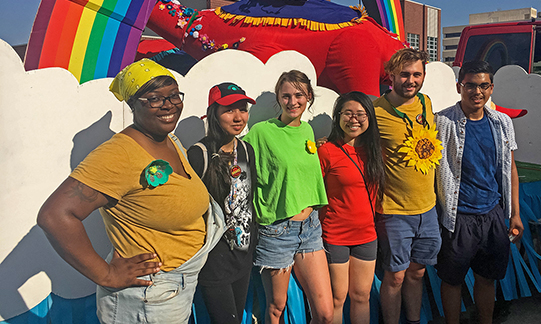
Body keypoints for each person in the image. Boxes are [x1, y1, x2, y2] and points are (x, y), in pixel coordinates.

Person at [37, 59, 224, 324]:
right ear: (132, 104)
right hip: (147, 300)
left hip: (171, 289)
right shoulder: (119, 155)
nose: (168, 104)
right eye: (154, 98)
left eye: (173, 95)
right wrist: (106, 275)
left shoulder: (167, 138)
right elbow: (55, 216)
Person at [435, 60, 523, 324]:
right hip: (458, 217)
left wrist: (515, 213)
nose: (477, 92)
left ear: (491, 88)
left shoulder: (502, 123)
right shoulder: (442, 121)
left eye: (483, 86)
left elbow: (510, 170)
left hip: (493, 215)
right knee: (452, 280)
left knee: (487, 279)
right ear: (459, 86)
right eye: (470, 85)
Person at [243, 70, 333, 324]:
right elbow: (236, 162)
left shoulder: (307, 130)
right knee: (275, 310)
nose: (293, 102)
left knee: (325, 312)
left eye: (299, 95)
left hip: (310, 228)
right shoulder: (261, 132)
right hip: (276, 231)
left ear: (309, 97)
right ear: (278, 99)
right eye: (286, 96)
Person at [373, 48, 442, 324]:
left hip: (428, 208)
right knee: (395, 276)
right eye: (404, 74)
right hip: (394, 210)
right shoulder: (376, 111)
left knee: (417, 273)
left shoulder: (425, 103)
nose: (411, 80)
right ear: (390, 75)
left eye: (417, 74)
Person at [187, 82, 257, 324]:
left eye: (242, 109)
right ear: (214, 114)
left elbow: (249, 200)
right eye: (229, 110)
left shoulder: (247, 150)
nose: (238, 117)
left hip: (243, 255)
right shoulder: (199, 154)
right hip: (214, 260)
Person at [319, 91, 385, 324]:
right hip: (336, 234)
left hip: (367, 234)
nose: (354, 119)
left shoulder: (375, 150)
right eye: (348, 113)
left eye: (360, 114)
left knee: (361, 296)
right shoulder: (326, 151)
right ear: (337, 117)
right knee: (337, 298)